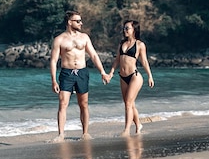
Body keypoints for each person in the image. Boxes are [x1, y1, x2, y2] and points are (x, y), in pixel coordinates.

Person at [50, 11, 110, 142]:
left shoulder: (84, 37)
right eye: (78, 21)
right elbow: (54, 61)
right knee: (63, 103)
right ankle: (61, 134)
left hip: (82, 73)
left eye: (80, 21)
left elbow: (94, 55)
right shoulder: (59, 39)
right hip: (67, 73)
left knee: (83, 104)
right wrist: (54, 80)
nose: (81, 23)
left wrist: (102, 72)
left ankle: (85, 133)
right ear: (69, 22)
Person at [107, 19, 154, 136]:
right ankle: (138, 125)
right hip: (122, 77)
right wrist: (111, 73)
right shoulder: (121, 44)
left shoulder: (140, 45)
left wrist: (150, 76)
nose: (125, 30)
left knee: (128, 103)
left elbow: (144, 61)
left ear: (134, 30)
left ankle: (126, 130)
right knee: (130, 104)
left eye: (127, 28)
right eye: (124, 28)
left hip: (134, 76)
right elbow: (117, 60)